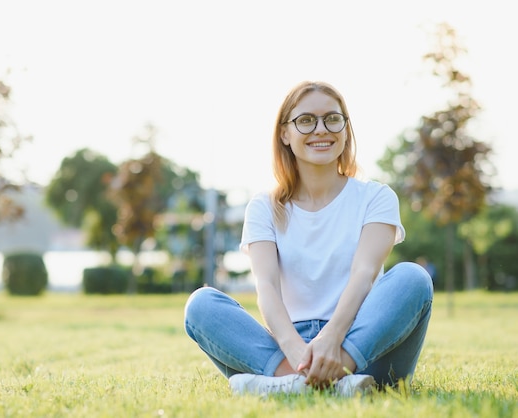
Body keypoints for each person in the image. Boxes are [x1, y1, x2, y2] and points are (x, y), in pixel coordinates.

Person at [184, 81, 434, 397]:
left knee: (412, 277)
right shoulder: (264, 207)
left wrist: (332, 339)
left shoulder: (376, 197)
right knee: (201, 305)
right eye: (306, 120)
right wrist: (298, 353)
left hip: (365, 344)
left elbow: (364, 274)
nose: (321, 129)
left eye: (332, 119)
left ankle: (295, 384)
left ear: (345, 130)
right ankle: (312, 381)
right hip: (289, 349)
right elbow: (267, 288)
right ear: (285, 134)